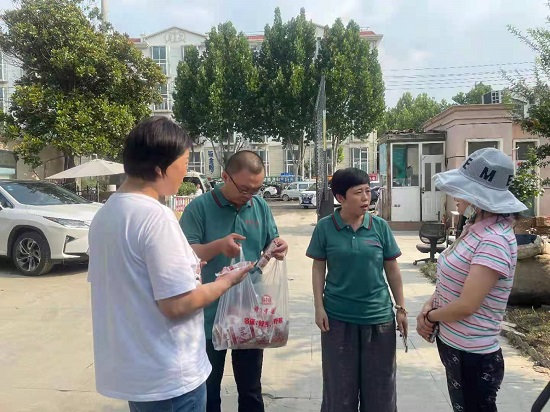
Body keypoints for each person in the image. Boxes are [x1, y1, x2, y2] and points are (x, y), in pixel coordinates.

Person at [88, 116, 252, 412]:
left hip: (138, 374)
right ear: (159, 166)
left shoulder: (106, 216)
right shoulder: (155, 217)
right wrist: (226, 282)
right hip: (170, 377)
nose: (186, 170)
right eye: (185, 160)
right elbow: (177, 305)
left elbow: (134, 283)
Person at [416, 148, 527, 412]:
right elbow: (451, 278)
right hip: (456, 345)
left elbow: (468, 304)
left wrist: (431, 318)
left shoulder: (494, 241)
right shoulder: (474, 228)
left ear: (479, 198)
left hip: (474, 357)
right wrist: (429, 306)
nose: (456, 197)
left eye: (463, 191)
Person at [180, 150, 289, 412]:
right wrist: (218, 246)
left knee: (251, 389)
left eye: (257, 188)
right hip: (209, 312)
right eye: (244, 188)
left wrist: (278, 246)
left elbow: (270, 241)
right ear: (225, 177)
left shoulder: (259, 206)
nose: (250, 195)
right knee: (207, 388)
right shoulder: (200, 208)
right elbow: (184, 253)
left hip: (249, 314)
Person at [306, 167, 408, 412]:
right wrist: (319, 307)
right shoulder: (325, 228)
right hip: (338, 320)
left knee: (380, 390)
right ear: (340, 198)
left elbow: (392, 270)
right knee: (339, 389)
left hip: (378, 319)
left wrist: (401, 308)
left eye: (367, 191)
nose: (366, 198)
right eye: (358, 193)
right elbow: (318, 268)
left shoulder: (380, 227)